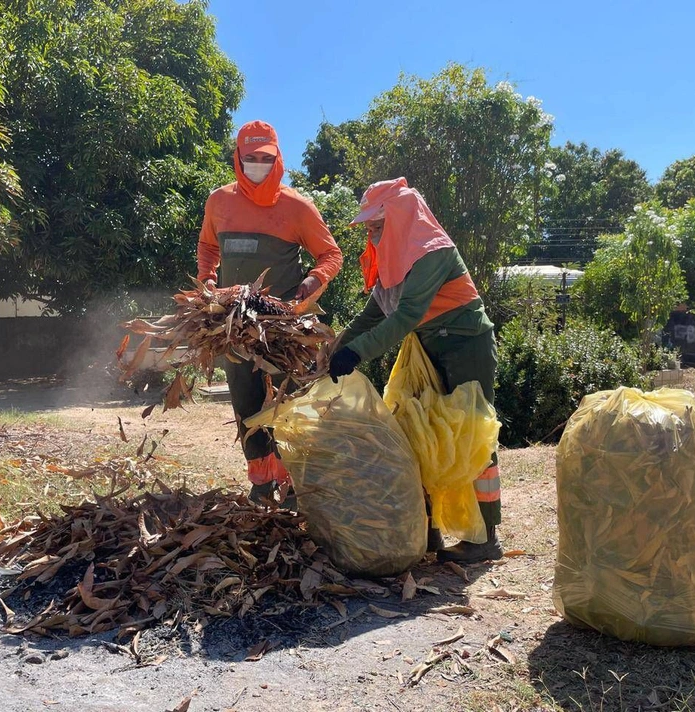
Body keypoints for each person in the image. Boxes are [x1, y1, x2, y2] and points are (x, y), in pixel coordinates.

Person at [328, 177, 503, 563]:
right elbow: (372, 314)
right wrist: (333, 350)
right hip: (427, 348)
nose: (371, 234)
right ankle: (428, 531)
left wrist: (356, 354)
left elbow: (406, 315)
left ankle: (486, 537)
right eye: (369, 228)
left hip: (464, 344)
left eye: (377, 225)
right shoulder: (392, 257)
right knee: (419, 432)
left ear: (402, 218)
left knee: (472, 434)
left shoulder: (431, 252)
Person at [198, 120, 343, 506]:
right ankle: (261, 483)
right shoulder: (219, 201)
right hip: (236, 326)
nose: (258, 164)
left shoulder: (297, 207)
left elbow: (331, 254)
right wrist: (207, 280)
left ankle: (294, 483)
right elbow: (208, 247)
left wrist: (312, 284)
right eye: (251, 158)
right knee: (246, 403)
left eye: (266, 158)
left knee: (288, 404)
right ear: (239, 159)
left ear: (277, 158)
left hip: (283, 327)